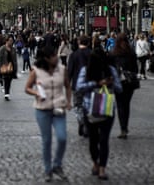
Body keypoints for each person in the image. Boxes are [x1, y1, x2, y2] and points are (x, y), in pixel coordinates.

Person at [25, 45, 72, 182]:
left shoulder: (62, 69)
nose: (57, 58)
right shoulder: (36, 71)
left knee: (62, 137)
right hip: (42, 109)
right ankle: (48, 169)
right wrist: (36, 93)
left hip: (59, 107)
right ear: (46, 58)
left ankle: (57, 164)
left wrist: (69, 101)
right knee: (47, 140)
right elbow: (27, 88)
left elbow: (68, 86)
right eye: (54, 56)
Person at [76, 46, 122, 181]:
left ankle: (102, 167)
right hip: (90, 109)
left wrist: (111, 83)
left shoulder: (111, 71)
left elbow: (119, 88)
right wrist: (96, 83)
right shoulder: (86, 71)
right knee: (93, 140)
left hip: (106, 109)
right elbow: (79, 87)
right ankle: (95, 162)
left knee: (103, 140)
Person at [109, 33, 139, 139]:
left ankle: (123, 128)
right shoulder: (131, 52)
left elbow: (110, 68)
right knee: (126, 105)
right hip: (129, 82)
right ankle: (124, 127)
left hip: (118, 81)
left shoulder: (113, 53)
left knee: (120, 105)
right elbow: (136, 68)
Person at [67, 35, 92, 137]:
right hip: (90, 85)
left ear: (78, 42)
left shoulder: (74, 55)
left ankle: (81, 121)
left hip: (77, 85)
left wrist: (67, 84)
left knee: (78, 105)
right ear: (88, 43)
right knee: (88, 105)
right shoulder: (92, 54)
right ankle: (87, 124)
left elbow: (70, 71)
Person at [0, 35, 18, 101]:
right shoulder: (2, 48)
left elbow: (15, 59)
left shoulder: (13, 49)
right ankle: (6, 94)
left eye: (12, 41)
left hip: (11, 66)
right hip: (4, 66)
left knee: (9, 80)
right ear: (6, 41)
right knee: (6, 79)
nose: (11, 42)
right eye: (10, 41)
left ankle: (7, 92)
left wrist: (15, 68)